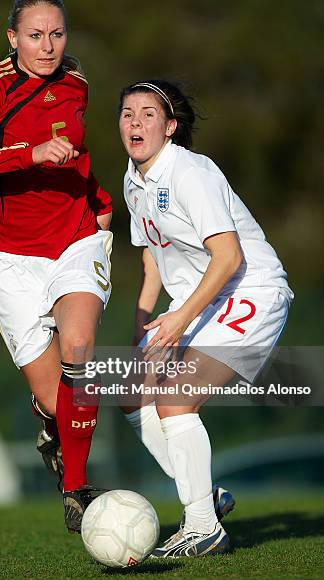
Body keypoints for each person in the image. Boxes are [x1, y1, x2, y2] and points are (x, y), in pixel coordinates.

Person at [0, 0, 113, 534]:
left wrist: (100, 202)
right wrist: (26, 155)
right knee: (51, 396)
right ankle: (50, 427)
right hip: (12, 256)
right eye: (35, 35)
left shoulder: (77, 82)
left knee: (80, 349)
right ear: (12, 38)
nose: (48, 46)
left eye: (57, 34)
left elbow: (78, 150)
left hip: (76, 239)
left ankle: (77, 491)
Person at [118, 80, 293, 557]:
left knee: (175, 400)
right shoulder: (134, 180)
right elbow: (152, 256)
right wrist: (142, 320)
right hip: (204, 298)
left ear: (170, 127)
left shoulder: (189, 172)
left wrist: (179, 318)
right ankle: (205, 499)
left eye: (148, 114)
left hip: (251, 289)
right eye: (128, 113)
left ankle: (203, 528)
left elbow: (229, 256)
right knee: (131, 394)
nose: (135, 122)